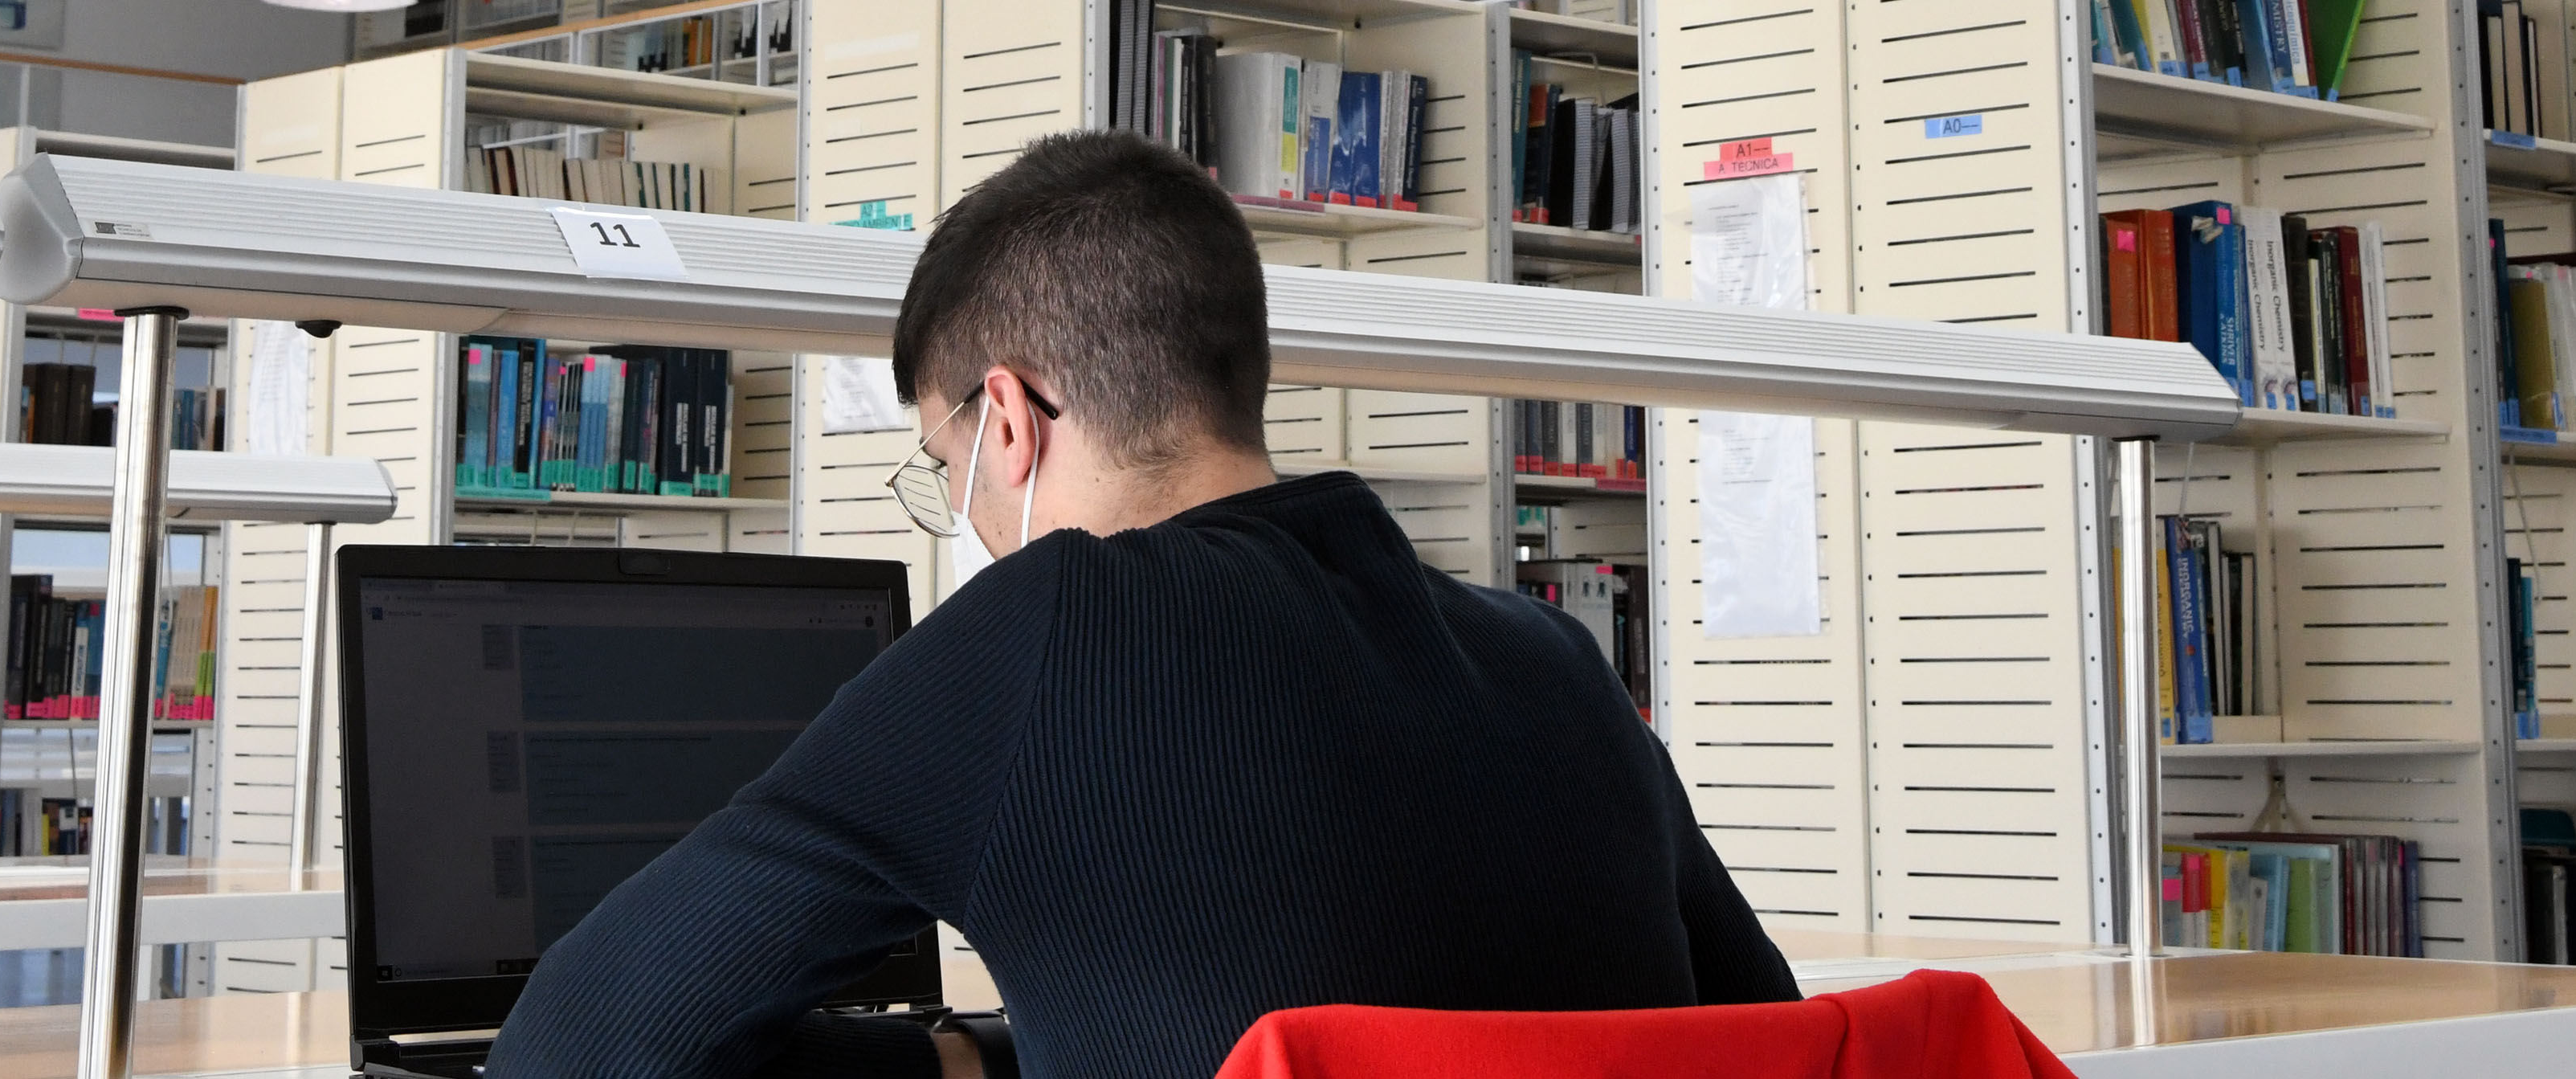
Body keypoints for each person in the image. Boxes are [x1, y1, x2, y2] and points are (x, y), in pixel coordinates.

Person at [486, 129, 1796, 1079]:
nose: (966, 511)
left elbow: (581, 1046)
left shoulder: (1043, 631)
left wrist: (940, 1061)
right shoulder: (1551, 656)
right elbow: (1771, 1029)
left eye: (945, 464)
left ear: (1009, 417)